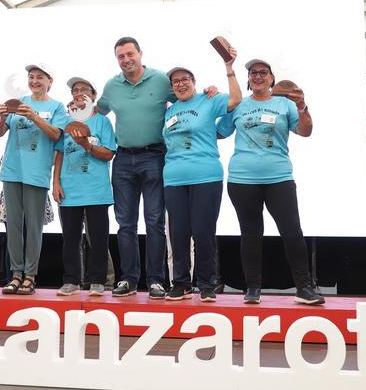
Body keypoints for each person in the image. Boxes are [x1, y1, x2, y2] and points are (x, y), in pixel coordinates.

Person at [217, 59, 324, 306]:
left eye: (263, 73)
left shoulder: (285, 104)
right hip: (242, 179)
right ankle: (253, 288)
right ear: (248, 79)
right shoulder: (238, 106)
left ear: (271, 78)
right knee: (251, 234)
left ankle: (304, 288)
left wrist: (303, 106)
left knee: (292, 232)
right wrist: (210, 102)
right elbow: (219, 131)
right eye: (253, 73)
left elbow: (305, 131)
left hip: (279, 178)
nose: (257, 76)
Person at [96, 37, 177, 299]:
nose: (126, 60)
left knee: (154, 222)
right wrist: (75, 112)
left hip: (154, 156)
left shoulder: (162, 80)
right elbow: (97, 112)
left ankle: (155, 281)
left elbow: (186, 97)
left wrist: (208, 92)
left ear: (140, 54)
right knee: (125, 224)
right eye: (121, 56)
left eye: (130, 54)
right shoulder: (112, 86)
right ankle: (128, 280)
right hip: (122, 159)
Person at [162, 52, 241, 302]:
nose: (181, 84)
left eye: (185, 79)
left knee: (203, 231)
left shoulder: (208, 100)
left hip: (205, 176)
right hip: (174, 179)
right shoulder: (169, 110)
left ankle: (206, 283)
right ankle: (182, 283)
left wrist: (229, 70)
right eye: (175, 81)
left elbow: (237, 100)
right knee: (179, 232)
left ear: (194, 82)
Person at [0, 64, 69, 295]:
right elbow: (0, 132)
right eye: (31, 77)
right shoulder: (18, 101)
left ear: (50, 81)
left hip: (37, 173)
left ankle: (30, 275)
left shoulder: (57, 107)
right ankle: (15, 274)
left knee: (34, 227)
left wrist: (34, 117)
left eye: (40, 77)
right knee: (14, 225)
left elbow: (57, 134)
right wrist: (1, 118)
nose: (35, 81)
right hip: (12, 170)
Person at [53, 77, 117, 296]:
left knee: (98, 238)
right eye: (75, 90)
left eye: (84, 90)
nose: (79, 93)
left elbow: (108, 154)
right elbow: (60, 152)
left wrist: (87, 145)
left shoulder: (102, 122)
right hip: (69, 190)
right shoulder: (65, 121)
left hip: (96, 190)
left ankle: (98, 281)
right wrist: (55, 183)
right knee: (70, 239)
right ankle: (71, 280)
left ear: (93, 95)